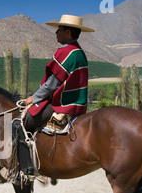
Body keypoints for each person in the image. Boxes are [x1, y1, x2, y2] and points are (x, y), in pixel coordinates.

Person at [12, 14, 95, 177]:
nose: (56, 32)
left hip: (63, 104)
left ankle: (26, 168)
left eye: (60, 29)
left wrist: (33, 98)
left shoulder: (67, 52)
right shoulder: (79, 52)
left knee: (20, 122)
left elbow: (52, 84)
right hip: (78, 104)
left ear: (68, 33)